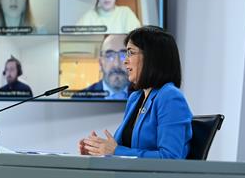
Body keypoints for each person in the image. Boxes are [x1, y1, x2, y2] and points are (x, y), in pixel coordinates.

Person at [78, 26, 193, 158]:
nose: (125, 60)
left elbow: (170, 158)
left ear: (152, 57)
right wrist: (98, 150)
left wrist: (115, 151)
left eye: (130, 53)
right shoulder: (135, 98)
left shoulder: (170, 97)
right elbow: (120, 149)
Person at [73, 34, 132, 100]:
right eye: (109, 56)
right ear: (100, 63)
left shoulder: (144, 97)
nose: (116, 64)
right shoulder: (79, 99)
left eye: (123, 55)